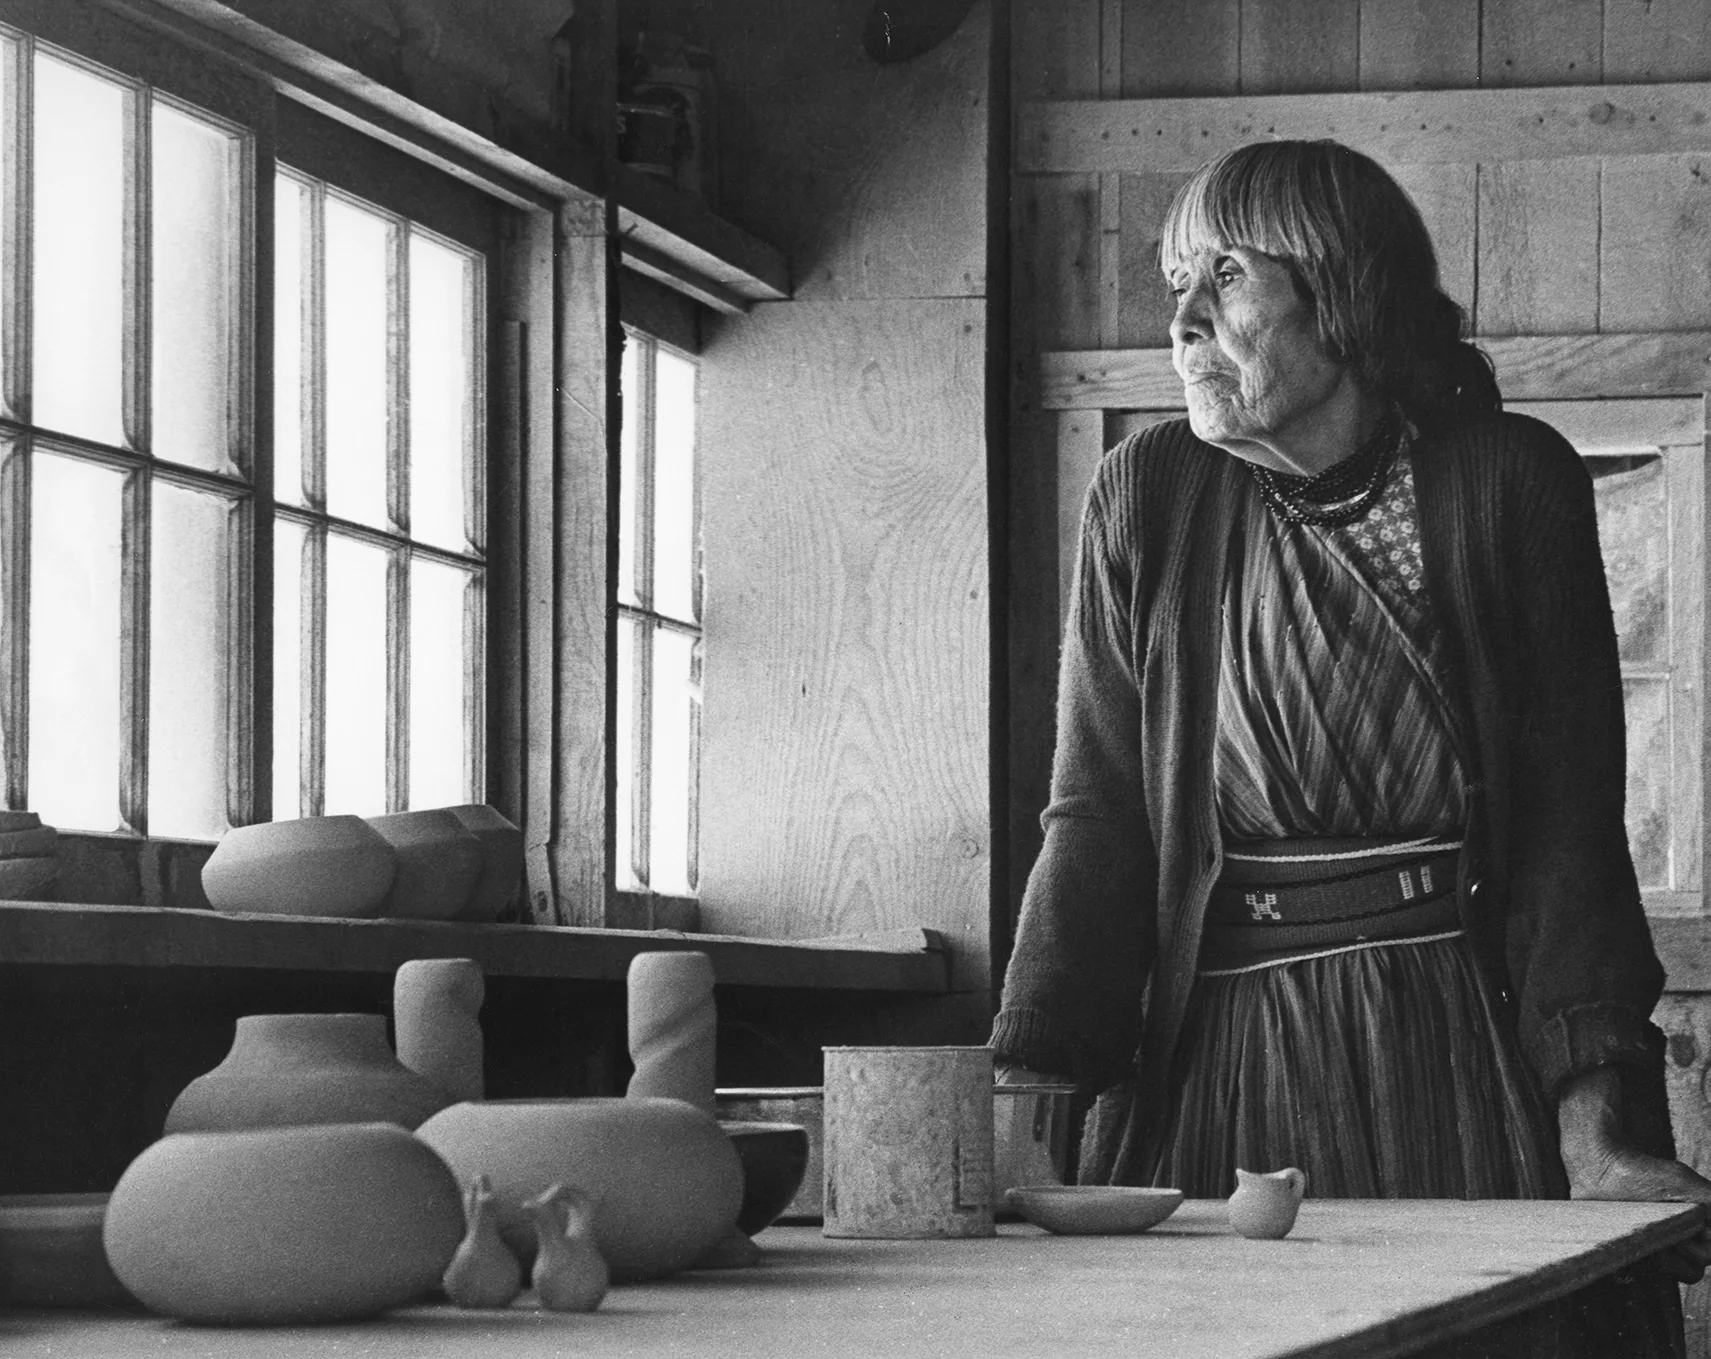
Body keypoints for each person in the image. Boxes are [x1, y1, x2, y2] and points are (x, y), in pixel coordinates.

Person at [989, 138, 1711, 1355]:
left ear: (1342, 290)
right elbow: (1097, 821)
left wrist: (1596, 1134)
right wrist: (1024, 1112)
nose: (1180, 321)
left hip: (1455, 1039)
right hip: (1218, 1055)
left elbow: (1563, 829)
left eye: (1223, 278)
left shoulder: (1504, 481)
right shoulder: (1146, 494)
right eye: (1173, 285)